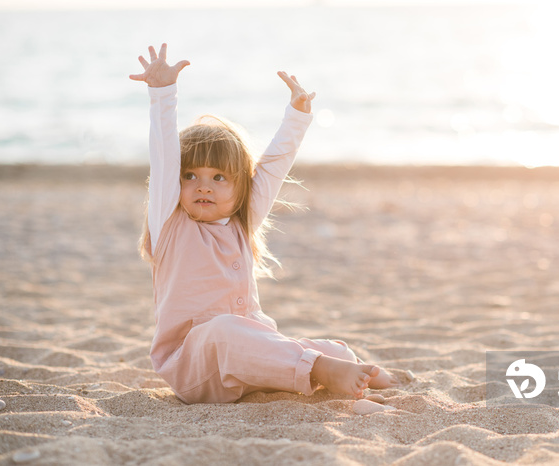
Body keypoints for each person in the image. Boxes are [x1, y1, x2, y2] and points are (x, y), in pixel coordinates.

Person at [130, 44, 397, 403]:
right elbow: (163, 159)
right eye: (190, 175)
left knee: (330, 349)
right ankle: (322, 371)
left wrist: (297, 117)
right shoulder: (170, 224)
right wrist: (162, 94)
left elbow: (271, 169)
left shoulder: (241, 223)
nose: (203, 185)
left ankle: (344, 367)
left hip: (250, 358)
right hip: (194, 367)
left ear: (241, 187)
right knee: (224, 330)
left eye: (219, 177)